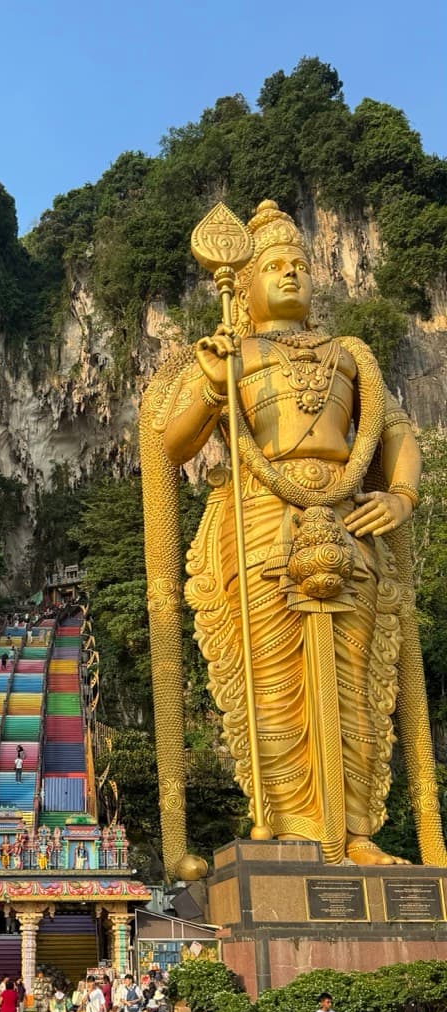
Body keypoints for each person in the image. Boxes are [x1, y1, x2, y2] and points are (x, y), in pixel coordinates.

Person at [144, 198, 442, 877]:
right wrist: (217, 388)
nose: (291, 274)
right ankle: (284, 828)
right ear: (244, 286)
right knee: (272, 684)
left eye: (302, 264)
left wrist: (401, 493)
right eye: (275, 265)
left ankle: (359, 832)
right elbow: (173, 441)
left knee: (357, 680)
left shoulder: (350, 355)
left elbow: (395, 434)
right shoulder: (230, 352)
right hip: (257, 525)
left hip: (347, 525)